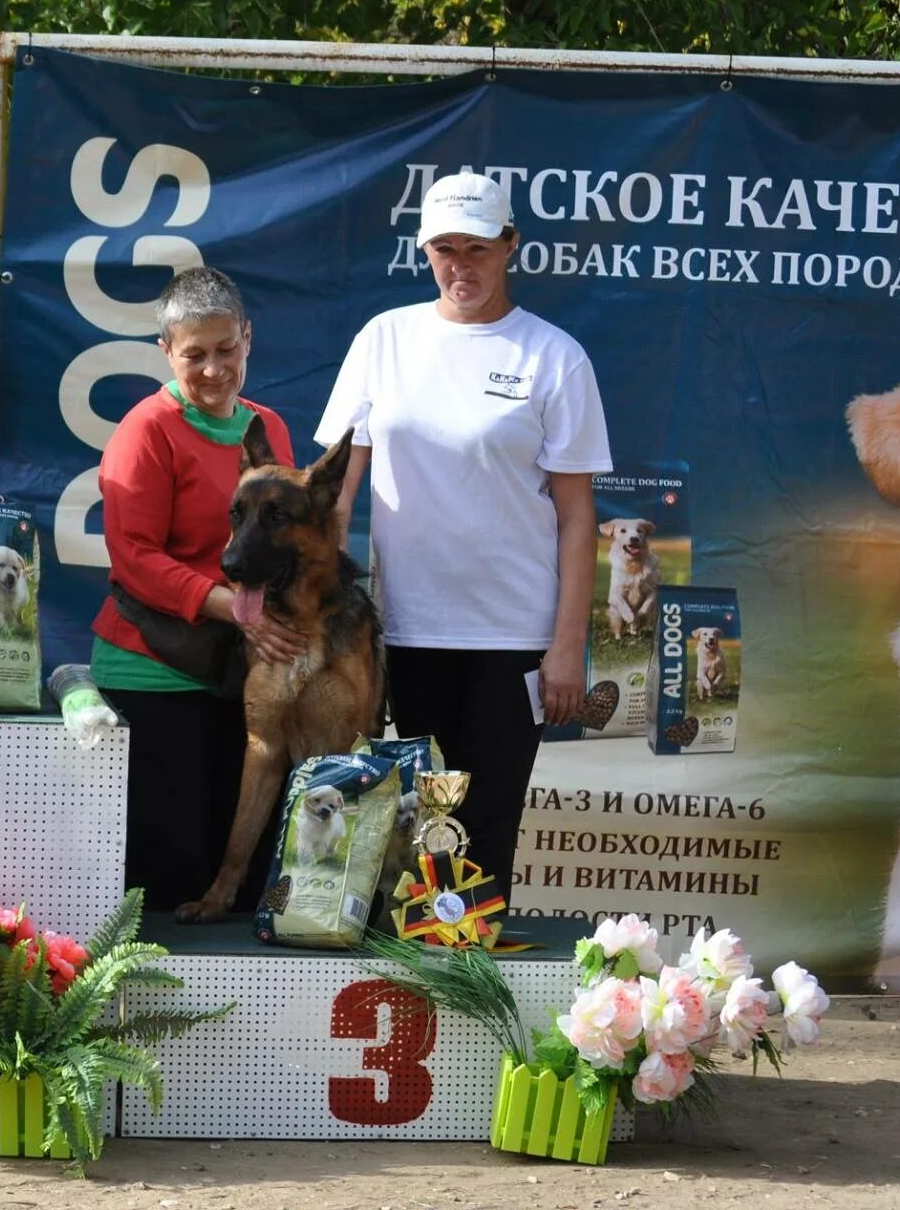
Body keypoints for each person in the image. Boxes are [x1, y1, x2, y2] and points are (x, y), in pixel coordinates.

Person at [317, 171, 611, 903]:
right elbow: (335, 494)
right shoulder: (383, 340)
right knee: (411, 833)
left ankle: (474, 999)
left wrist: (566, 644)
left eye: (477, 248)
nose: (460, 266)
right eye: (443, 249)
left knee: (483, 832)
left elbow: (579, 517)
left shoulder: (554, 356)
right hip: (405, 632)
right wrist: (315, 617)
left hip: (513, 636)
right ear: (424, 251)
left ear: (511, 245)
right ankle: (414, 992)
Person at [89, 267, 305, 912]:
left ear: (248, 338)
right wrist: (232, 608)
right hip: (154, 674)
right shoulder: (145, 430)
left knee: (237, 878)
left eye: (226, 349)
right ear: (166, 352)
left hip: (243, 671)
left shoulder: (269, 428)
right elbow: (134, 558)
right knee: (173, 881)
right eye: (195, 355)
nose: (213, 369)